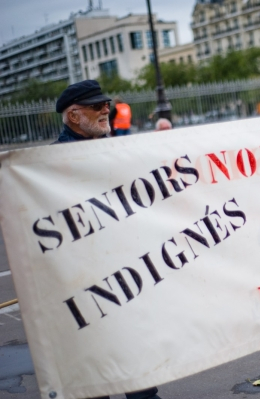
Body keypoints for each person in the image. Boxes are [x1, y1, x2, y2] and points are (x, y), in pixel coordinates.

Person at [54, 80, 161, 399]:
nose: (106, 109)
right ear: (73, 115)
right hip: (85, 285)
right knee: (93, 377)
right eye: (96, 106)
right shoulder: (51, 165)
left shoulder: (112, 147)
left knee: (136, 369)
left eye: (106, 104)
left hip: (125, 277)